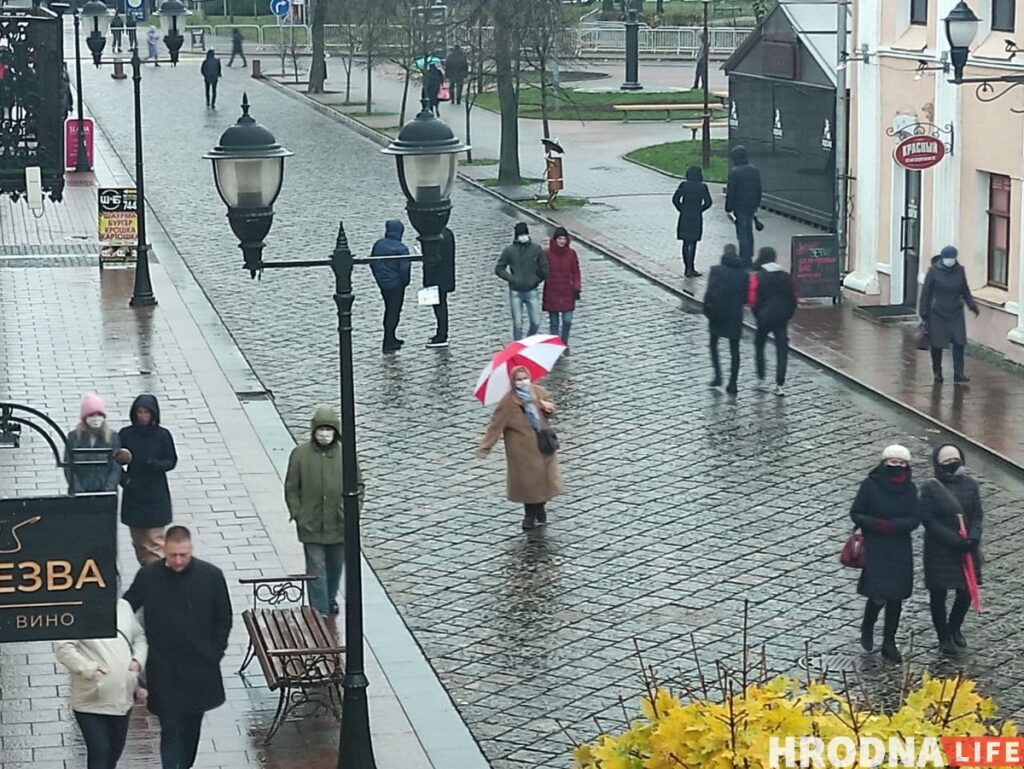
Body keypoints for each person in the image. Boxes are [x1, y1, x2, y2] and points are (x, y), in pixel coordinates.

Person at [124, 526, 231, 769]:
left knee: (191, 728)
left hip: (199, 667)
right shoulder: (149, 577)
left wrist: (215, 653)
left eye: (183, 554)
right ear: (164, 551)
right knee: (170, 728)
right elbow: (127, 606)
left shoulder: (211, 576)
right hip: (165, 669)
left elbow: (223, 618)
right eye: (173, 555)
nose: (178, 560)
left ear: (191, 549)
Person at [285, 406, 363, 618]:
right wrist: (298, 513)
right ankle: (320, 609)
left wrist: (352, 513)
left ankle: (329, 599)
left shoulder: (346, 454)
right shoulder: (300, 454)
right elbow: (291, 487)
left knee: (335, 565)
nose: (324, 434)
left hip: (339, 523)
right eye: (320, 430)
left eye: (328, 430)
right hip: (311, 522)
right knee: (316, 569)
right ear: (313, 431)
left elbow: (358, 485)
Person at [56, 597, 147, 769]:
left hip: (121, 696)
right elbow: (64, 647)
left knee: (114, 752)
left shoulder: (123, 606)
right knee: (99, 752)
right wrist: (90, 670)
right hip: (90, 700)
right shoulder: (77, 608)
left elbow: (139, 637)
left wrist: (137, 661)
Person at [849, 444, 920, 664]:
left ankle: (889, 641)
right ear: (884, 462)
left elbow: (915, 518)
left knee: (896, 597)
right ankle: (868, 626)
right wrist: (877, 525)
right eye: (892, 462)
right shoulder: (870, 485)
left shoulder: (910, 488)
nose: (896, 466)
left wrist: (894, 526)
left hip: (899, 546)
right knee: (878, 594)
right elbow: (857, 513)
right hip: (876, 544)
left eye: (900, 463)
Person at [476, 364, 562, 531]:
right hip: (522, 450)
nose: (523, 382)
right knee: (528, 484)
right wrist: (486, 446)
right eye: (519, 380)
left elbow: (551, 408)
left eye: (525, 378)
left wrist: (548, 408)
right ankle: (530, 514)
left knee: (543, 481)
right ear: (513, 382)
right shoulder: (509, 401)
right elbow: (496, 425)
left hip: (542, 444)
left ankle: (540, 508)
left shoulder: (538, 392)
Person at [918, 444, 983, 656]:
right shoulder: (930, 487)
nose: (951, 463)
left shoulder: (971, 485)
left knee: (964, 593)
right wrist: (954, 540)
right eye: (946, 461)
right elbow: (929, 520)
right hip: (940, 549)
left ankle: (955, 627)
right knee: (939, 595)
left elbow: (977, 515)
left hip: (967, 547)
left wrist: (973, 536)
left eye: (954, 459)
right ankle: (943, 636)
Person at [119, 394, 177, 567]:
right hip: (134, 495)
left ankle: (157, 576)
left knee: (155, 540)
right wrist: (125, 480)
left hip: (155, 495)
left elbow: (171, 460)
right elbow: (114, 460)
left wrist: (156, 464)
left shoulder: (162, 435)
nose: (142, 416)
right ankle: (148, 570)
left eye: (146, 412)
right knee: (139, 542)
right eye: (139, 412)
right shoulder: (126, 434)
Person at [919, 245, 979, 385]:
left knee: (959, 342)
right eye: (948, 258)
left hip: (955, 312)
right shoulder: (933, 272)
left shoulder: (959, 271)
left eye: (952, 258)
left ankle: (959, 374)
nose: (950, 260)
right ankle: (937, 372)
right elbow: (926, 294)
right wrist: (924, 313)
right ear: (942, 258)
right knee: (937, 344)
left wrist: (972, 305)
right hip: (937, 312)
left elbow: (965, 291)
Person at [748, 247, 797, 396]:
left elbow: (752, 299)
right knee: (782, 349)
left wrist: (757, 314)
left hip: (764, 316)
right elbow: (794, 298)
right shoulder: (786, 276)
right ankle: (780, 384)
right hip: (781, 317)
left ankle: (761, 379)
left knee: (760, 345)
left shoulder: (759, 276)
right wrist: (788, 314)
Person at [702, 244, 749, 394]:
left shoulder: (716, 271)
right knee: (734, 350)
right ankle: (733, 383)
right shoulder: (743, 274)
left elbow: (709, 292)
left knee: (713, 343)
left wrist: (707, 309)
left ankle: (718, 376)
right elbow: (745, 297)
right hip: (735, 314)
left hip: (717, 312)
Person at [496, 222, 549, 341]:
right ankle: (518, 347)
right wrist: (512, 279)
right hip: (516, 292)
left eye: (525, 234)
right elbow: (499, 268)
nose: (523, 236)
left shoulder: (536, 249)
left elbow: (544, 267)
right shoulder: (509, 251)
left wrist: (536, 279)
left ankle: (528, 341)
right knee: (518, 324)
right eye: (521, 234)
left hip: (532, 290)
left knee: (536, 322)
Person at [64, 392, 123, 495]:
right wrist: (78, 489)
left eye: (99, 414)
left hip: (105, 493)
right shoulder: (73, 437)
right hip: (80, 493)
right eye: (92, 414)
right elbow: (69, 467)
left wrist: (109, 489)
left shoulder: (112, 437)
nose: (96, 418)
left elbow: (116, 467)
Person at [369, 219, 412, 354]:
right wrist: (404, 282)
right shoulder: (401, 248)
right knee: (394, 312)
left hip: (383, 284)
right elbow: (405, 268)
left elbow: (372, 263)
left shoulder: (379, 245)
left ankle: (391, 337)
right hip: (396, 284)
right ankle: (388, 341)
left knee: (389, 309)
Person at [542, 226, 581, 347]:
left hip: (567, 292)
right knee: (554, 322)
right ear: (555, 239)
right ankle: (555, 344)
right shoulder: (547, 254)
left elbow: (576, 272)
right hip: (552, 292)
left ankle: (564, 341)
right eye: (559, 238)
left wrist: (576, 287)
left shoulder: (571, 254)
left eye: (564, 238)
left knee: (567, 320)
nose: (562, 241)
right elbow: (541, 270)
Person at [672, 164, 713, 278]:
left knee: (685, 242)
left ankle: (686, 268)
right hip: (696, 216)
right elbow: (708, 202)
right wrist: (700, 210)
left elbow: (675, 199)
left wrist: (681, 208)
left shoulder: (683, 185)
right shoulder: (702, 187)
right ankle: (692, 267)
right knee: (693, 242)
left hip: (684, 216)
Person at [724, 145, 762, 266]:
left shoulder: (734, 172)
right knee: (749, 232)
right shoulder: (754, 170)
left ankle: (744, 257)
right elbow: (758, 189)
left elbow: (731, 191)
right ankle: (749, 256)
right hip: (751, 205)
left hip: (739, 206)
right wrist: (756, 203)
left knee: (742, 233)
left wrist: (728, 207)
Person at [423, 226, 456, 348]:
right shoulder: (447, 233)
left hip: (436, 278)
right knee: (441, 305)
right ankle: (441, 333)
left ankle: (442, 335)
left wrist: (427, 280)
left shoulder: (435, 236)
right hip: (445, 276)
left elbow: (432, 260)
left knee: (439, 307)